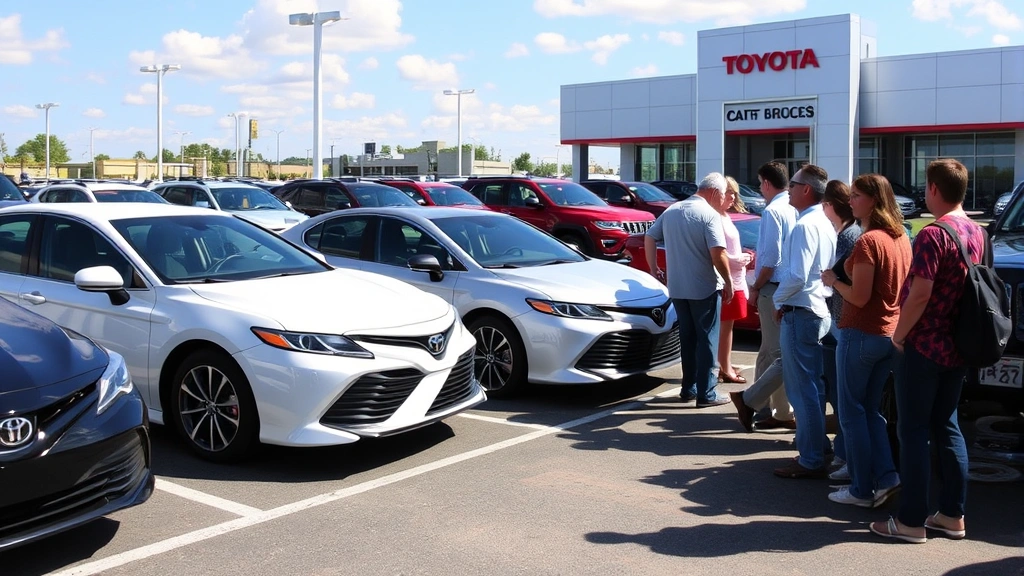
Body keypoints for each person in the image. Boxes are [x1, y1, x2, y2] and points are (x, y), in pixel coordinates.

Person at [870, 159, 981, 543]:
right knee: (946, 426)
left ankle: (911, 521)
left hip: (924, 345)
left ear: (934, 189)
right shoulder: (977, 232)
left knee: (913, 430)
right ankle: (952, 514)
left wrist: (899, 336)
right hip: (958, 346)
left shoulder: (934, 234)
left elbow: (919, 293)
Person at [822, 174, 910, 507]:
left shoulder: (869, 240)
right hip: (889, 334)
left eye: (857, 195)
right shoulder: (901, 237)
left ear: (873, 200)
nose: (851, 200)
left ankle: (861, 489)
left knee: (852, 414)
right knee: (871, 412)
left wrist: (833, 280)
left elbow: (858, 297)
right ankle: (886, 477)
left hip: (861, 333)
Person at [646, 172, 734, 407]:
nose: (724, 198)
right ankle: (707, 393)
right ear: (715, 192)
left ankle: (689, 388)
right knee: (707, 339)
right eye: (724, 194)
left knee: (688, 338)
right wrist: (728, 281)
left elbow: (650, 236)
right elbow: (718, 254)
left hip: (678, 288)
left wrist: (654, 269)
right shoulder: (709, 214)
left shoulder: (672, 210)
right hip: (704, 287)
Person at [771, 164, 836, 479]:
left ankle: (810, 458)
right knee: (814, 388)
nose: (789, 190)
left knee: (803, 391)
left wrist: (777, 299)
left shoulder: (805, 226)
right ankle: (817, 447)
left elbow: (797, 275)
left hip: (803, 312)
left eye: (793, 185)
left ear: (806, 190)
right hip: (817, 310)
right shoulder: (823, 222)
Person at [747, 161, 798, 429]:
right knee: (781, 351)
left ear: (767, 183)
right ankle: (780, 410)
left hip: (774, 287)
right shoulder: (795, 208)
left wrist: (755, 287)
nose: (759, 188)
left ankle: (764, 408)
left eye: (759, 183)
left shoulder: (773, 212)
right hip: (791, 287)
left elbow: (770, 259)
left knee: (769, 352)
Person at [820, 180, 861, 478]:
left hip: (844, 321)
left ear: (832, 205)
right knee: (840, 392)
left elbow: (839, 279)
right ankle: (844, 452)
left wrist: (830, 280)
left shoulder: (850, 236)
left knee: (845, 395)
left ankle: (846, 455)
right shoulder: (845, 233)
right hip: (840, 320)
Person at [718, 177, 753, 384]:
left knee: (728, 326)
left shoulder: (725, 216)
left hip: (735, 278)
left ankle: (725, 363)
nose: (733, 197)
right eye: (729, 192)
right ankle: (724, 367)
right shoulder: (715, 217)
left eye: (735, 193)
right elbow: (713, 252)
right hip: (726, 280)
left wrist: (742, 256)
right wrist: (735, 259)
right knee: (725, 326)